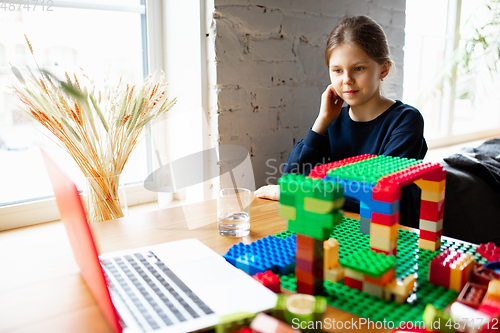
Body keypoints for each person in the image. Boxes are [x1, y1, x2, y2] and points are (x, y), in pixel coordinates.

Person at [255, 15, 427, 228]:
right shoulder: (332, 122)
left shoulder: (405, 121)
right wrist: (322, 121)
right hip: (339, 229)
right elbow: (293, 178)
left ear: (383, 69)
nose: (346, 79)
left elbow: (381, 198)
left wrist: (305, 193)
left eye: (358, 68)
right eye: (337, 70)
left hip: (390, 236)